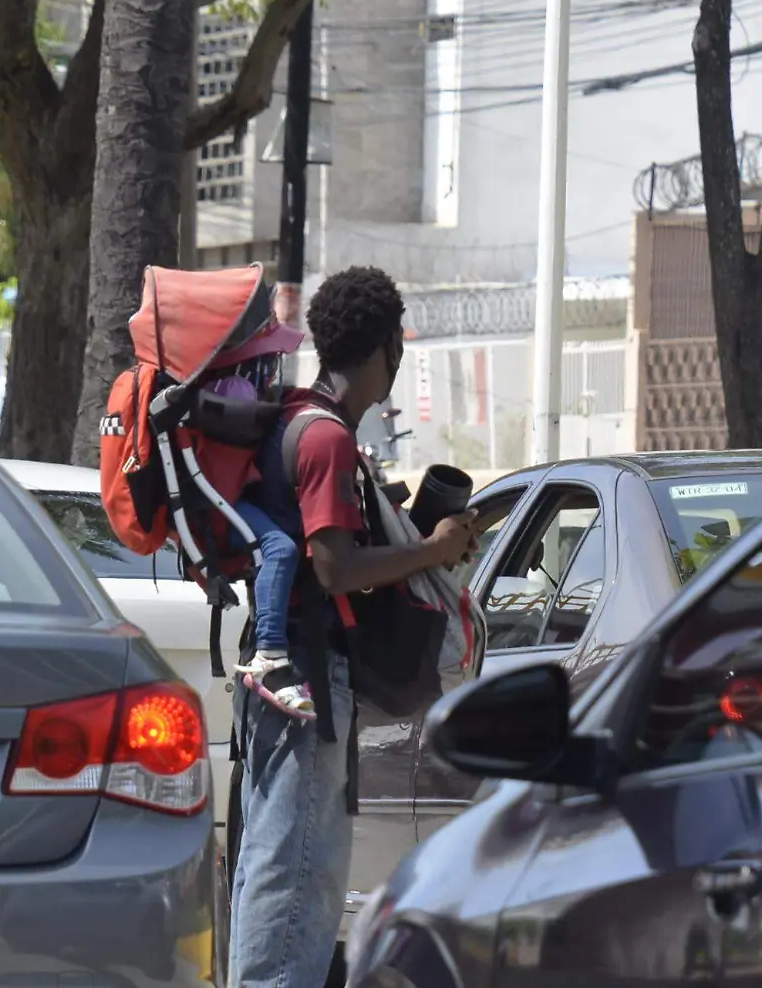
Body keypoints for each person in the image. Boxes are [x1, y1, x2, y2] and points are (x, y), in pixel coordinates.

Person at [228, 266, 479, 988]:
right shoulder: (327, 439)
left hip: (279, 672)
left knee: (273, 866)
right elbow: (335, 567)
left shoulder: (294, 421)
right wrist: (432, 551)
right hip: (305, 680)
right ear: (382, 351)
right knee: (298, 870)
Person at [203, 352, 314, 720]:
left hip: (224, 500)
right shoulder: (235, 390)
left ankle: (273, 658)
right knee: (280, 550)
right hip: (220, 505)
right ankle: (269, 652)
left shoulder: (221, 387)